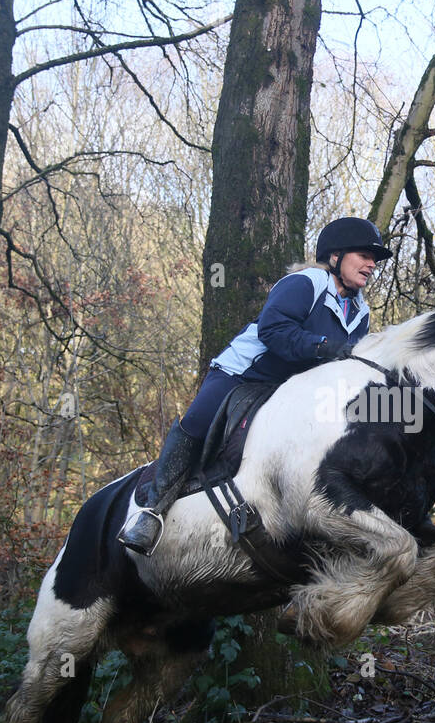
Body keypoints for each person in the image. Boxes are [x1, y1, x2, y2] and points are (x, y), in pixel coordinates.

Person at [118, 216, 394, 555]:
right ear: (335, 256)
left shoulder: (360, 313)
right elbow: (274, 331)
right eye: (364, 255)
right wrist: (325, 347)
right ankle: (152, 511)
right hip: (243, 375)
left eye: (374, 260)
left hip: (291, 393)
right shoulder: (306, 283)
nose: (371, 264)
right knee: (197, 423)